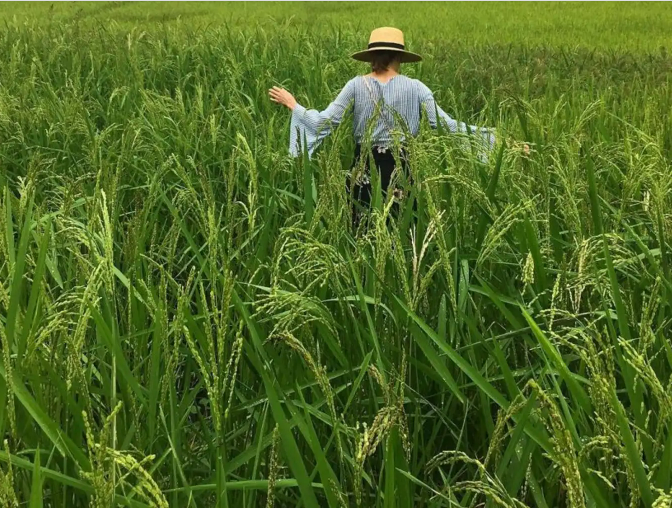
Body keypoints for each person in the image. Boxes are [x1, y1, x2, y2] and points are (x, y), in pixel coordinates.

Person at [269, 27, 517, 224]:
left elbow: (324, 122)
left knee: (364, 228)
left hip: (364, 168)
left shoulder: (355, 85)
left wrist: (294, 105)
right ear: (399, 57)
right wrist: (500, 142)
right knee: (403, 228)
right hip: (404, 167)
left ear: (372, 57)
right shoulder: (417, 87)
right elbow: (447, 127)